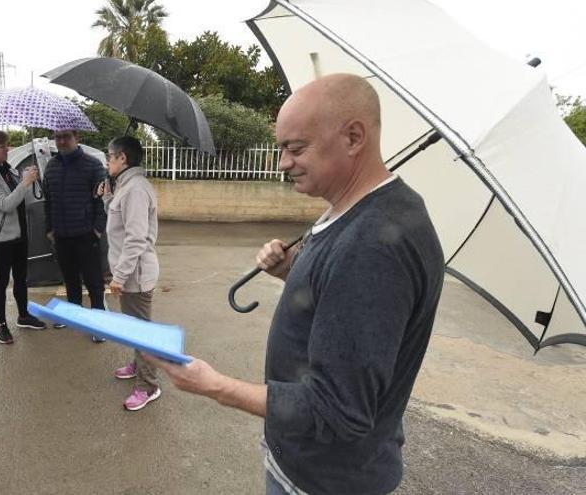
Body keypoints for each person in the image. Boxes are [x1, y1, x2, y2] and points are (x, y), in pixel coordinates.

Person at [147, 74, 445, 495]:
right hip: (317, 466)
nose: (283, 163)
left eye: (295, 148)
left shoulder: (373, 245)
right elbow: (344, 304)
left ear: (354, 137)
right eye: (281, 148)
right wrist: (293, 271)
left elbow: (337, 410)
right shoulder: (354, 212)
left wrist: (215, 386)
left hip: (322, 481)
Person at [96, 136, 161, 411]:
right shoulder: (125, 186)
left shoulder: (135, 189)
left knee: (141, 331)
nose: (107, 160)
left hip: (135, 274)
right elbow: (120, 224)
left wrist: (119, 277)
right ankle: (138, 364)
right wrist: (108, 197)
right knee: (135, 327)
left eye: (110, 156)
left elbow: (135, 239)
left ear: (123, 158)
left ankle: (149, 386)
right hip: (129, 271)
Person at [0, 129, 47, 344]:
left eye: (7, 145)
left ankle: (23, 316)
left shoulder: (10, 170)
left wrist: (30, 179)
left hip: (20, 233)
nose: (7, 149)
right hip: (0, 238)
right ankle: (1, 325)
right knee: (1, 281)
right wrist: (25, 183)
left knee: (21, 278)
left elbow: (22, 198)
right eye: (1, 146)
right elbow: (5, 205)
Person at [43, 129, 108, 342]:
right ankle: (73, 314)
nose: (61, 141)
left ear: (76, 138)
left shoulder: (93, 165)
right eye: (58, 137)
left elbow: (102, 201)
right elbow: (48, 201)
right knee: (69, 278)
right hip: (61, 234)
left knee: (94, 281)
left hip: (86, 234)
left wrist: (97, 230)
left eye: (66, 137)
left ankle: (98, 321)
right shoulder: (51, 166)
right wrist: (49, 229)